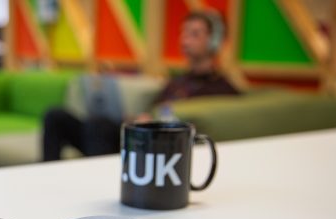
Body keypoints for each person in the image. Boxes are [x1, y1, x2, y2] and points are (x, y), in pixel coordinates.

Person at [42, 11, 240, 161]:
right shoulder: (177, 81)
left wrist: (153, 121)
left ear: (214, 41)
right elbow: (154, 107)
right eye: (184, 33)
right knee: (55, 116)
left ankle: (97, 184)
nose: (185, 40)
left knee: (97, 126)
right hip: (132, 131)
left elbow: (195, 120)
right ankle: (46, 174)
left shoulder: (220, 88)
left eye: (194, 34)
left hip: (150, 143)